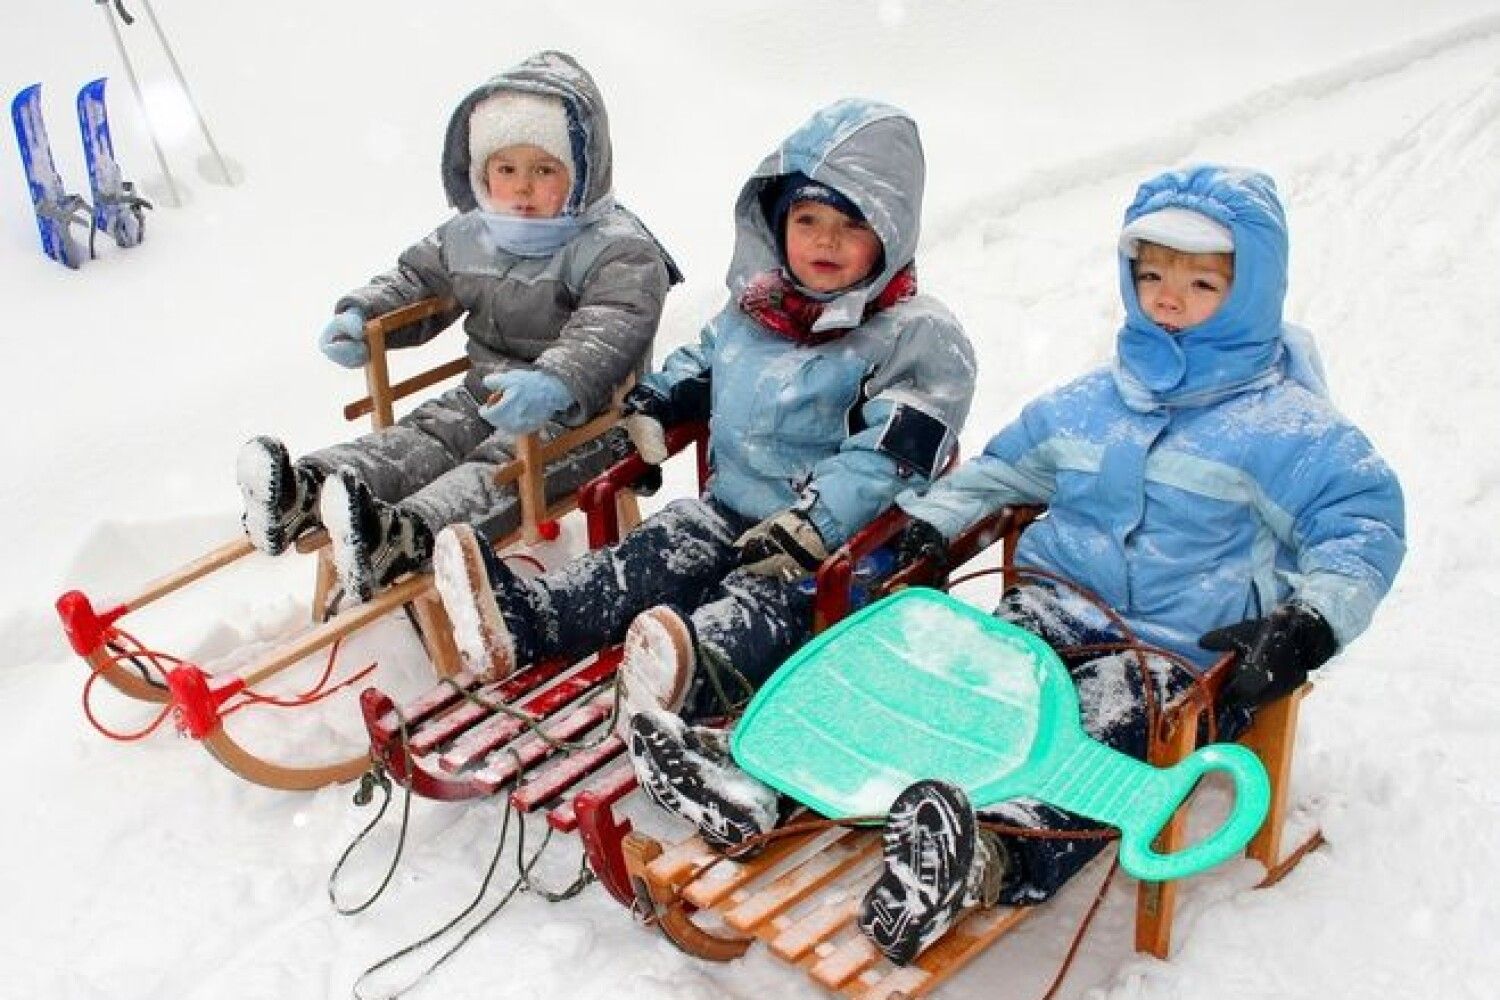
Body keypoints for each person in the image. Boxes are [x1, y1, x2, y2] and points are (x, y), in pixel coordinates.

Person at [623, 164, 1406, 966]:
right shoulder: (1092, 401)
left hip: (1178, 652)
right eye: (1152, 275)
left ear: (1250, 294)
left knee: (1097, 742)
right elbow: (1003, 473)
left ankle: (984, 861)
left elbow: (1363, 527)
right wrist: (933, 522)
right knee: (942, 694)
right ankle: (766, 786)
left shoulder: (1292, 431)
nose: (1169, 298)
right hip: (1045, 618)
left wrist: (1307, 626)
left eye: (1203, 282)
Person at [430, 100, 976, 844]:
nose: (826, 242)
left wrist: (816, 524)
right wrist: (660, 403)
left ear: (890, 237)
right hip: (731, 507)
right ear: (778, 222)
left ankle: (683, 678)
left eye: (853, 227)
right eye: (810, 220)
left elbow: (892, 455)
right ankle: (531, 619)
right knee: (655, 551)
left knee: (757, 609)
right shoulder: (758, 306)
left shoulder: (917, 337)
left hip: (837, 555)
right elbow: (704, 360)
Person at [236, 51, 678, 602]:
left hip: (585, 419)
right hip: (484, 392)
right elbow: (418, 278)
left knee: (493, 469)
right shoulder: (473, 234)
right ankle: (306, 490)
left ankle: (402, 536)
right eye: (506, 169)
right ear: (481, 172)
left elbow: (611, 326)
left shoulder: (619, 248)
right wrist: (363, 315)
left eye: (544, 170)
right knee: (423, 437)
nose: (521, 189)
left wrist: (554, 382)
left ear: (583, 172)